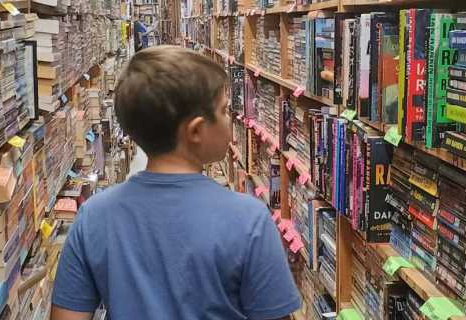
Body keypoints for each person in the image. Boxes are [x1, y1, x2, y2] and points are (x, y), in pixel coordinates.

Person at [51, 46, 301, 320]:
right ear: (195, 131)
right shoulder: (248, 219)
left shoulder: (93, 217)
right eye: (224, 110)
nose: (231, 118)